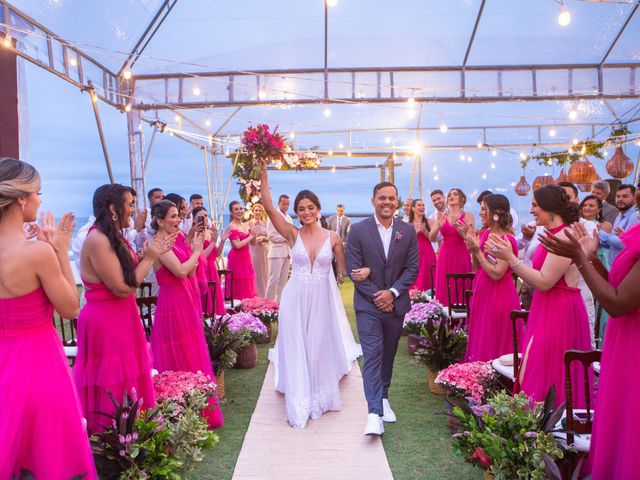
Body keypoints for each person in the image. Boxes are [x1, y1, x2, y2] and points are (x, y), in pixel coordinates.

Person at [0, 158, 97, 479]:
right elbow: (70, 308)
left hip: (4, 362)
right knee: (48, 457)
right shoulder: (36, 253)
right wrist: (60, 250)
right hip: (40, 363)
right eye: (38, 192)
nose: (41, 199)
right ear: (21, 199)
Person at [260, 167, 361, 429]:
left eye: (309, 207)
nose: (305, 212)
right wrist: (263, 177)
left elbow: (342, 270)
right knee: (297, 344)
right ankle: (299, 393)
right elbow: (270, 209)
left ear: (318, 209)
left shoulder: (334, 237)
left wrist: (340, 278)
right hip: (295, 298)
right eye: (300, 208)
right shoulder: (293, 234)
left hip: (322, 300)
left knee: (317, 347)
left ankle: (318, 391)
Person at [539, 221, 640, 479]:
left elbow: (617, 304)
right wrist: (590, 257)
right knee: (618, 420)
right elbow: (618, 286)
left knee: (631, 423)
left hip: (633, 348)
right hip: (623, 342)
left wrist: (578, 258)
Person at [74, 184, 175, 433]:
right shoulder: (98, 239)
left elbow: (126, 274)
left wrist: (145, 256)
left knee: (129, 374)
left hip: (123, 315)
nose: (134, 209)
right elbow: (122, 287)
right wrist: (151, 256)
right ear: (113, 208)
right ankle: (112, 437)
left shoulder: (115, 236)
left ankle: (133, 433)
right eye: (129, 203)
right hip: (105, 320)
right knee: (111, 378)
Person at [486, 185, 593, 407]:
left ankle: (549, 421)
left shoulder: (564, 236)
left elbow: (545, 281)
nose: (531, 210)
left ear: (550, 208)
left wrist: (511, 259)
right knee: (537, 362)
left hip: (560, 310)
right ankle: (534, 423)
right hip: (545, 307)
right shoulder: (551, 233)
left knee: (551, 366)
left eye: (535, 205)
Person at [347, 181, 418, 436]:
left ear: (397, 201)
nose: (387, 202)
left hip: (396, 304)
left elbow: (412, 268)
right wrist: (379, 296)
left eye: (391, 198)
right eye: (382, 198)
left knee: (388, 353)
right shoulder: (358, 230)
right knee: (373, 353)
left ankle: (384, 396)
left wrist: (393, 293)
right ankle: (374, 413)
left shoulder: (407, 231)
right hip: (368, 304)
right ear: (373, 200)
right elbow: (353, 270)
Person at [149, 200, 223, 427]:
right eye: (173, 216)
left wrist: (192, 248)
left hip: (185, 298)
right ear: (159, 221)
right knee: (178, 351)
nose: (178, 220)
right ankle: (180, 408)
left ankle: (196, 405)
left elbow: (190, 268)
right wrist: (197, 251)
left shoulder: (175, 240)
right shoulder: (158, 244)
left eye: (177, 216)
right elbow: (181, 270)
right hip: (172, 303)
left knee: (191, 348)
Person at [462, 194, 521, 362]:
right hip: (481, 290)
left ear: (495, 214)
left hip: (498, 294)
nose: (480, 213)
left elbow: (496, 273)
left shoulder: (507, 240)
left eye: (484, 209)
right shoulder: (486, 233)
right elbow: (476, 267)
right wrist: (472, 248)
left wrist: (478, 252)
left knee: (493, 335)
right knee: (480, 332)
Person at [429, 188, 474, 306]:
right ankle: (443, 315)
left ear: (462, 199)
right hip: (445, 253)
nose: (451, 196)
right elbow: (431, 238)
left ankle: (461, 320)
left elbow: (470, 239)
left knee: (460, 283)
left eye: (455, 194)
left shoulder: (468, 216)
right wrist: (438, 225)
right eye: (449, 195)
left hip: (461, 253)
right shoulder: (442, 216)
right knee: (444, 283)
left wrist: (458, 227)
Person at [191, 206, 224, 314]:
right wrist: (213, 243)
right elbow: (200, 257)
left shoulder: (210, 232)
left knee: (215, 299)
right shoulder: (195, 235)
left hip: (212, 269)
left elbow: (217, 254)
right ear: (194, 219)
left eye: (206, 215)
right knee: (206, 301)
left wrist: (222, 241)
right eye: (201, 216)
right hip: (202, 270)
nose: (204, 218)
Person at [72, 184, 110, 271]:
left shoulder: (108, 232)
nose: (132, 210)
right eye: (129, 205)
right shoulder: (87, 235)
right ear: (113, 208)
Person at [598, 184, 639, 265]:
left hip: (626, 268)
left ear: (634, 198)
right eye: (618, 196)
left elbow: (624, 243)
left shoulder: (635, 215)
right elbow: (613, 245)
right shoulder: (619, 217)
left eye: (625, 196)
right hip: (613, 266)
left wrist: (600, 233)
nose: (620, 199)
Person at [266, 194, 293, 300]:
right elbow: (271, 236)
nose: (286, 206)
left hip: (287, 253)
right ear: (279, 203)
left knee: (283, 282)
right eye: (284, 204)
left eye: (287, 204)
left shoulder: (289, 218)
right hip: (276, 253)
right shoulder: (273, 215)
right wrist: (286, 238)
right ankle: (267, 305)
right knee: (273, 280)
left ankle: (279, 305)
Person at [408, 199, 436, 291]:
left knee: (428, 275)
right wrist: (414, 233)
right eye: (419, 205)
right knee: (415, 275)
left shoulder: (430, 221)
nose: (422, 207)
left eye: (423, 205)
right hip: (414, 253)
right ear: (413, 208)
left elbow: (433, 239)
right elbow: (405, 242)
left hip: (427, 252)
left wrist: (424, 231)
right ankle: (414, 298)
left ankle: (429, 299)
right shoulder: (407, 224)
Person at [580, 194, 612, 268]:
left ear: (599, 209)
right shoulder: (577, 223)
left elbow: (603, 244)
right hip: (580, 260)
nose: (586, 208)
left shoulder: (605, 225)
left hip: (599, 261)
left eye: (591, 206)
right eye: (584, 205)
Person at [249, 203, 269, 298]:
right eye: (256, 210)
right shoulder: (249, 223)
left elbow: (270, 237)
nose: (258, 212)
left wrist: (265, 238)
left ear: (262, 212)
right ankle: (255, 294)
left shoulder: (265, 223)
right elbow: (247, 238)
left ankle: (265, 293)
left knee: (264, 271)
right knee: (255, 271)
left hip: (264, 249)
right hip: (254, 249)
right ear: (253, 212)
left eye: (259, 210)